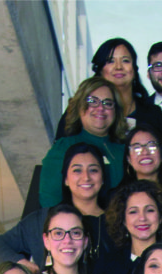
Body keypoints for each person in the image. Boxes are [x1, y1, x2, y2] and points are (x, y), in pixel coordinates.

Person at [0, 144, 113, 274]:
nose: (86, 177)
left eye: (93, 170)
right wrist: (26, 266)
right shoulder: (42, 219)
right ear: (65, 179)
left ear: (103, 177)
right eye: (77, 170)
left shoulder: (118, 222)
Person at [39, 77, 127, 208]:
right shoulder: (64, 147)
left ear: (116, 110)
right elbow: (49, 199)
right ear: (79, 106)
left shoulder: (125, 150)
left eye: (107, 103)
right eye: (93, 101)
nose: (100, 108)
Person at [96, 179, 162, 274]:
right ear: (123, 219)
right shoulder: (109, 266)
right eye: (133, 212)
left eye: (149, 210)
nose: (142, 218)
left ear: (161, 216)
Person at [122, 124, 162, 189]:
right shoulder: (119, 197)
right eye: (137, 148)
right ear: (128, 158)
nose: (145, 152)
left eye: (151, 146)